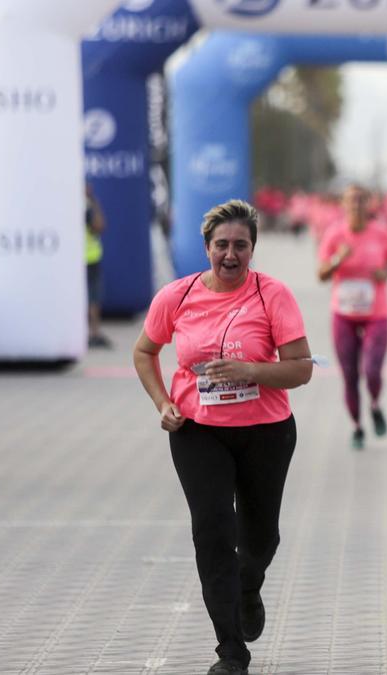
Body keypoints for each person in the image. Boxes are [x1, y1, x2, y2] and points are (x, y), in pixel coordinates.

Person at [132, 199, 313, 675]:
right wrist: (163, 404)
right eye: (221, 245)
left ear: (253, 248)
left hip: (266, 432)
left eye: (241, 245)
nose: (230, 255)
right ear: (206, 247)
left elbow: (300, 370)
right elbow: (144, 352)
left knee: (260, 538)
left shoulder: (273, 295)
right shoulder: (177, 295)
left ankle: (248, 586)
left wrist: (249, 369)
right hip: (198, 432)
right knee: (212, 532)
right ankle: (231, 651)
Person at [317, 185, 387, 449]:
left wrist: (386, 273)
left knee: (372, 370)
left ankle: (375, 404)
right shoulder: (334, 235)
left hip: (376, 311)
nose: (355, 206)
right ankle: (356, 426)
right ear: (342, 204)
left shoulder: (382, 232)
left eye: (360, 201)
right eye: (350, 201)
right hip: (344, 314)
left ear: (368, 204)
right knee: (350, 374)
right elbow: (321, 275)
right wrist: (337, 260)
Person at [85, 183, 112, 348]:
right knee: (93, 297)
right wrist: (94, 202)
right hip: (88, 256)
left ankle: (92, 332)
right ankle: (93, 332)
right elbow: (99, 225)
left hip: (88, 256)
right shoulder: (86, 206)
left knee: (92, 297)